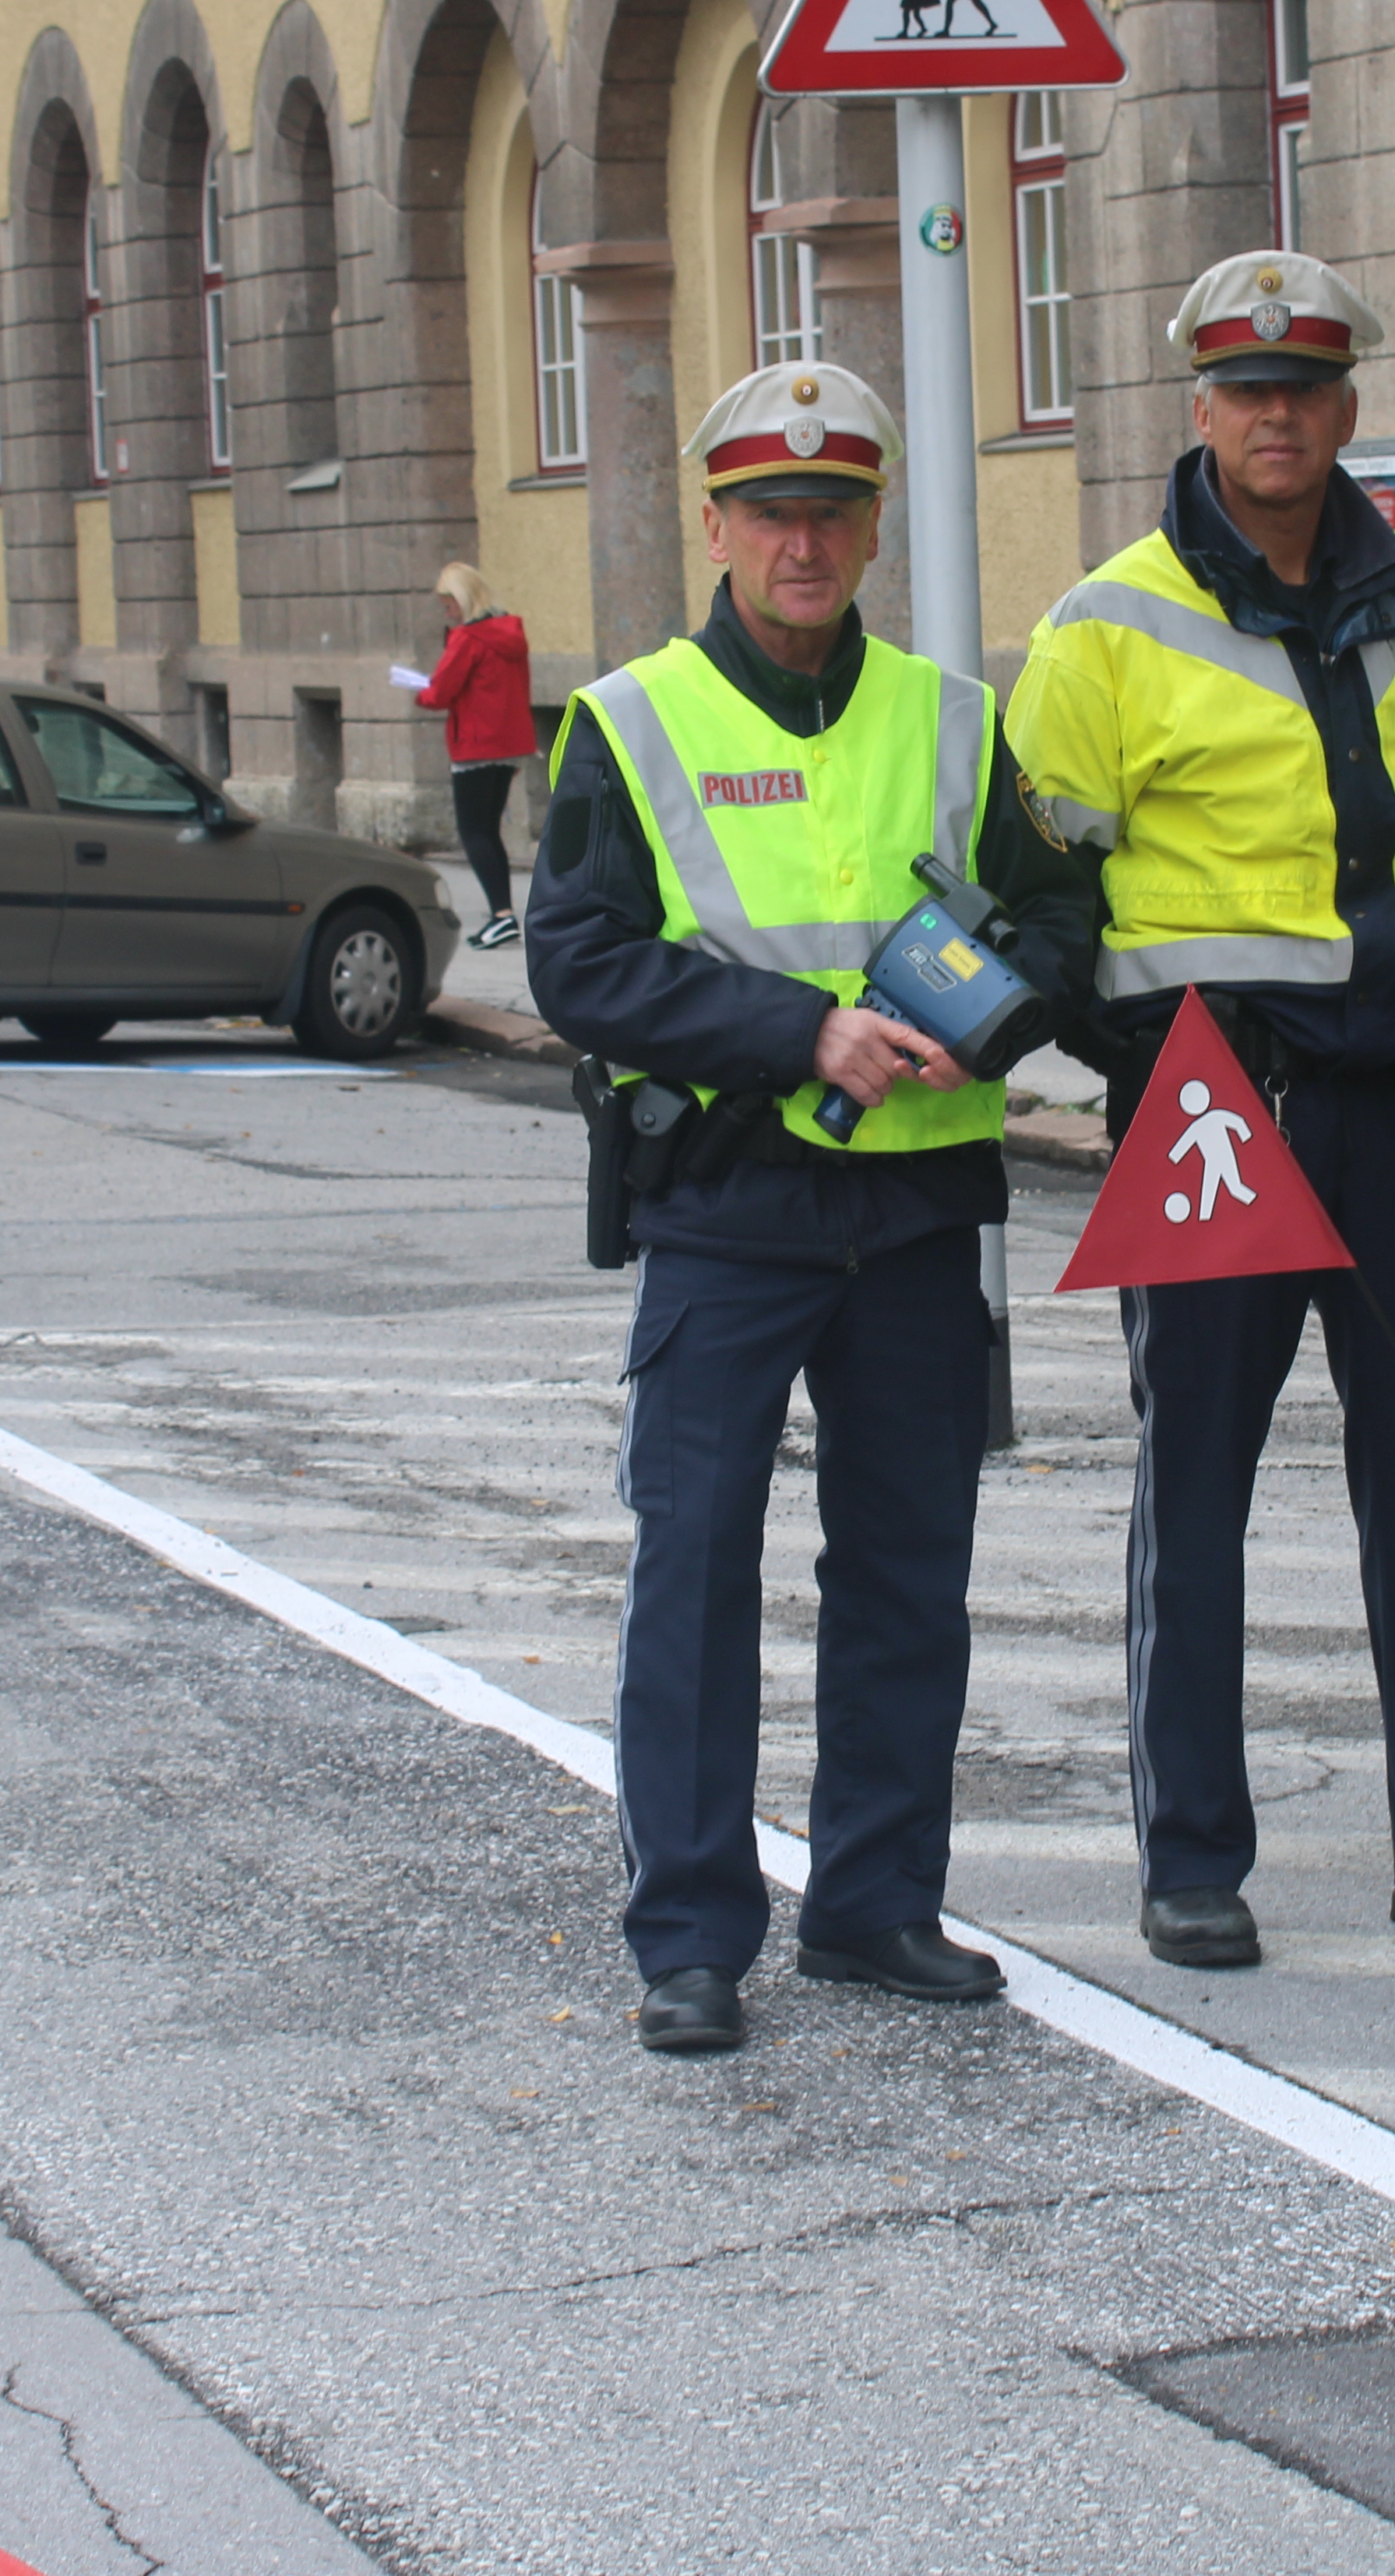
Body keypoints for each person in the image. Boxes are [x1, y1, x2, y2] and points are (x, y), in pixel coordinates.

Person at [1011, 248, 1395, 1972]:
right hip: (1216, 1108)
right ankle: (1193, 1849)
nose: (1278, 414)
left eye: (1308, 386)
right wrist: (1157, 1061)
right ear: (1201, 406)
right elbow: (1040, 884)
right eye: (1246, 388)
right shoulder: (1106, 621)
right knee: (1198, 1483)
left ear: (1347, 407)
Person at [525, 362, 1096, 2058]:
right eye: (772, 509)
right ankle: (693, 1936)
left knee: (910, 1572)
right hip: (727, 1200)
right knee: (696, 1572)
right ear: (716, 523)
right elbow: (580, 958)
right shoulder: (630, 722)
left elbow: (1067, 916)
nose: (803, 540)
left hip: (918, 1202)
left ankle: (873, 1905)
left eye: (834, 509)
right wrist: (802, 1030)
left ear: (869, 529)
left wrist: (994, 1007)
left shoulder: (950, 714)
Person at [413, 560, 536, 949]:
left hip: (475, 746)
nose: (446, 611)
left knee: (475, 832)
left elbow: (439, 694)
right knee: (488, 831)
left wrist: (420, 688)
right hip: (509, 744)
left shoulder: (468, 639)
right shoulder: (511, 633)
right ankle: (503, 916)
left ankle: (501, 915)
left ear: (464, 600)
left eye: (448, 602)